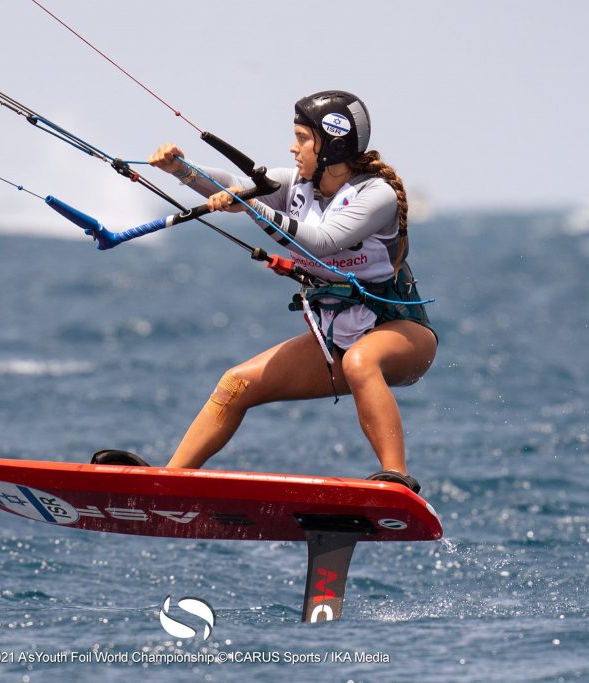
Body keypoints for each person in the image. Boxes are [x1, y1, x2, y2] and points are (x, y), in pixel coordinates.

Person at [96, 91, 437, 493]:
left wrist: (253, 207)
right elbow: (233, 185)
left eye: (302, 138)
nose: (293, 148)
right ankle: (170, 482)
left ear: (333, 142)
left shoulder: (374, 195)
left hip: (400, 333)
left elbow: (323, 241)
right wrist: (181, 169)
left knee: (361, 363)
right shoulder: (298, 186)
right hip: (336, 340)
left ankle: (396, 480)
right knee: (236, 383)